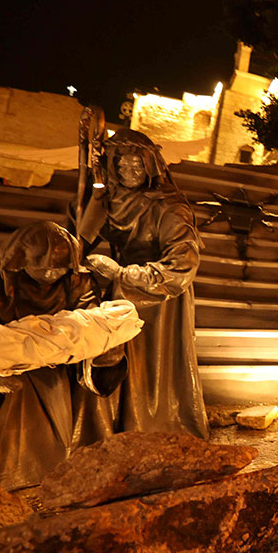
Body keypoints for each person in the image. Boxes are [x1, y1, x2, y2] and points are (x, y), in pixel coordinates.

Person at [0, 222, 126, 496]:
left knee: (53, 452)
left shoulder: (76, 278)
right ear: (18, 260)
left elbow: (88, 322)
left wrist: (104, 355)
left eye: (60, 267)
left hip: (52, 378)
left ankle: (54, 484)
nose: (52, 274)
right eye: (43, 267)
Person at [79, 129, 206, 441]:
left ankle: (152, 429)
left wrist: (121, 274)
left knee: (150, 369)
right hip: (120, 291)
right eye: (121, 166)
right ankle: (110, 432)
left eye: (136, 166)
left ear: (150, 167)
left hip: (159, 299)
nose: (128, 173)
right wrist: (95, 197)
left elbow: (181, 268)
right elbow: (83, 235)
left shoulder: (171, 207)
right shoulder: (112, 197)